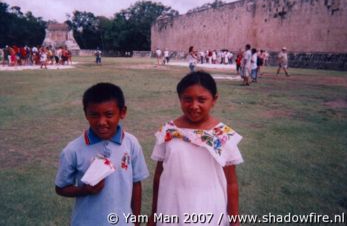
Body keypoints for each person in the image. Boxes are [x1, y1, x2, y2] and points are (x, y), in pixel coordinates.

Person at [148, 71, 243, 226]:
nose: (194, 106)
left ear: (214, 100)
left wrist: (235, 221)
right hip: (172, 208)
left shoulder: (222, 135)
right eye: (187, 99)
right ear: (180, 99)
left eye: (201, 99)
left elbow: (231, 183)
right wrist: (153, 214)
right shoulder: (168, 131)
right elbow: (159, 176)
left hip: (209, 211)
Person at [55, 83, 149, 226]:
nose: (101, 122)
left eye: (109, 114)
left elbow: (136, 184)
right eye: (94, 115)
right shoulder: (73, 150)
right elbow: (60, 188)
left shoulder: (131, 143)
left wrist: (135, 222)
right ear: (86, 113)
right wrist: (85, 190)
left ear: (122, 112)